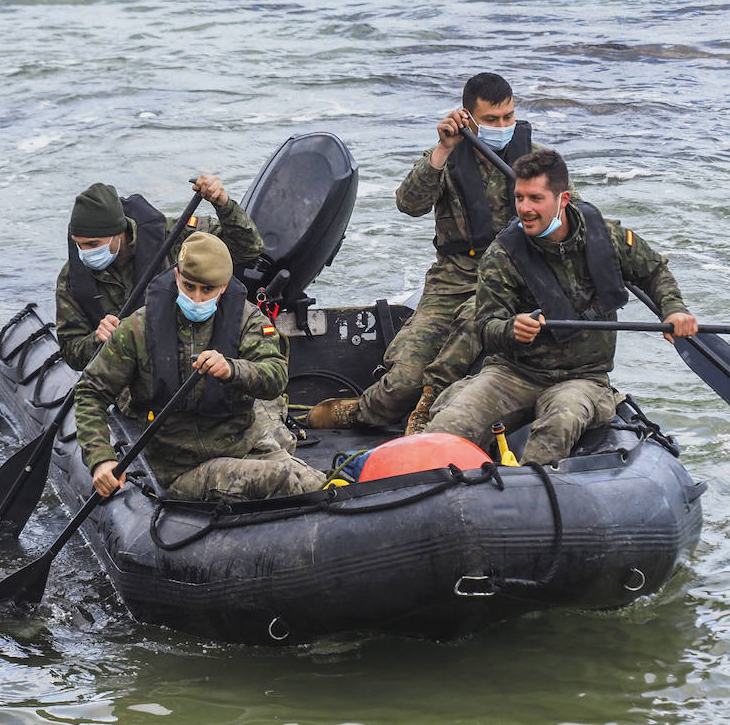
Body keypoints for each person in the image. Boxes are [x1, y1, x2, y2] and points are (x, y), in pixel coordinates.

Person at [419, 150, 698, 465]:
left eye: (535, 198)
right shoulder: (502, 255)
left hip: (583, 378)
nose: (524, 208)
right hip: (513, 373)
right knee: (449, 424)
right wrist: (512, 329)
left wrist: (673, 309)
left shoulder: (607, 236)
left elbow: (654, 272)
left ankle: (528, 495)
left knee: (560, 422)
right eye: (519, 198)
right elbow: (486, 328)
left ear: (563, 198)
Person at [307, 72, 546, 432]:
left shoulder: (538, 164)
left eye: (508, 117)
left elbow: (569, 220)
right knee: (403, 379)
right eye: (491, 120)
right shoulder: (447, 157)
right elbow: (409, 203)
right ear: (468, 118)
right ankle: (363, 411)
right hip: (453, 281)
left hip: (513, 284)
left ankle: (430, 409)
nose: (502, 126)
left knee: (479, 327)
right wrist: (443, 149)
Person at [75, 232, 327, 502]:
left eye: (207, 289)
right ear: (176, 278)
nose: (196, 298)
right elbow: (90, 392)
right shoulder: (137, 329)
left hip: (244, 444)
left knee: (319, 483)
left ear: (223, 286)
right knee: (283, 479)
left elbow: (275, 376)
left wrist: (233, 370)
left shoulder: (247, 319)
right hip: (182, 465)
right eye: (188, 286)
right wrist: (101, 458)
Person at [56, 176, 264, 372]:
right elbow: (71, 352)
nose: (85, 252)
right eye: (79, 244)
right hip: (134, 375)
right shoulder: (72, 278)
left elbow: (248, 250)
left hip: (199, 354)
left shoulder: (173, 237)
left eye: (93, 244)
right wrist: (97, 340)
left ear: (119, 232)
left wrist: (223, 205)